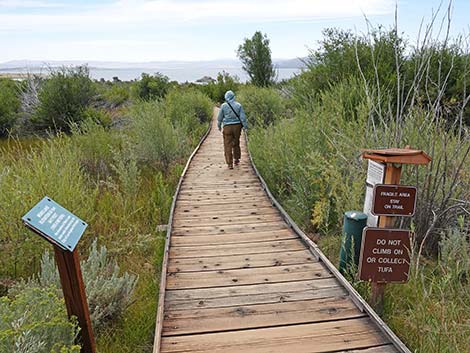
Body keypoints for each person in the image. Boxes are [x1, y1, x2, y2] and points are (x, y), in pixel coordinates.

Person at [217, 90, 248, 169]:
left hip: (227, 127)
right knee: (236, 142)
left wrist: (219, 126)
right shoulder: (238, 105)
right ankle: (236, 159)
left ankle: (229, 163)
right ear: (233, 96)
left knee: (227, 145)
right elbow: (243, 117)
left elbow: (220, 117)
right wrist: (245, 126)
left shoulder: (223, 106)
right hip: (237, 126)